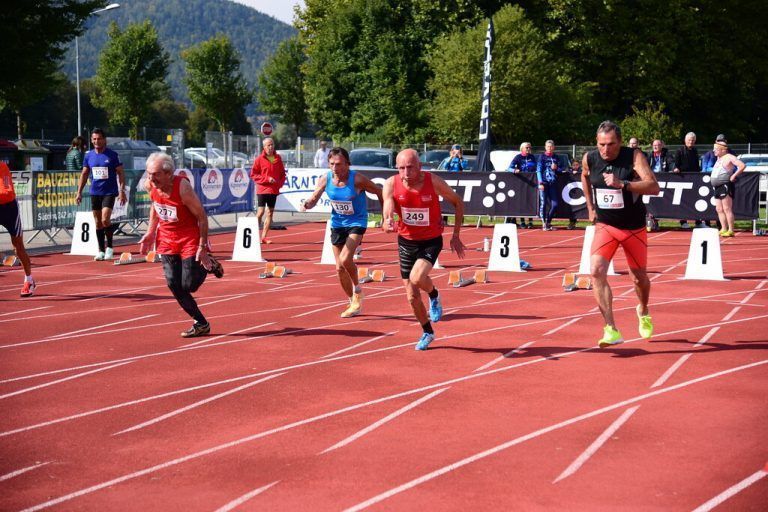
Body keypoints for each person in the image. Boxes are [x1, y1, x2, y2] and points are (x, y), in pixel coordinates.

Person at [581, 121, 660, 348]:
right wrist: (590, 206)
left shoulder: (633, 157)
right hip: (606, 226)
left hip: (633, 228)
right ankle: (611, 329)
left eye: (611, 144)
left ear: (620, 142)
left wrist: (623, 184)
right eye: (601, 144)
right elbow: (585, 176)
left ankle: (643, 309)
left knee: (638, 278)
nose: (606, 149)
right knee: (595, 271)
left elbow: (653, 187)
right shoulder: (590, 158)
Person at [383, 149, 466, 351]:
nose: (406, 173)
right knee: (411, 297)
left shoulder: (433, 182)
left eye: (410, 167)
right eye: (401, 168)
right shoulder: (391, 183)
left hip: (430, 240)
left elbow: (457, 202)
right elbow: (388, 205)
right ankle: (427, 331)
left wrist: (455, 235)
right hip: (406, 242)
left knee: (417, 277)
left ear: (419, 166)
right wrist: (387, 220)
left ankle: (434, 295)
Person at [139, 152, 223, 338]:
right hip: (167, 239)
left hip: (188, 238)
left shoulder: (183, 188)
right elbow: (155, 205)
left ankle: (209, 263)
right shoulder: (149, 185)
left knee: (189, 285)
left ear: (169, 174)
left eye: (156, 174)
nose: (151, 178)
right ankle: (201, 323)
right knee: (173, 284)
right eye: (148, 173)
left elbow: (201, 216)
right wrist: (151, 232)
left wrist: (202, 247)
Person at [301, 147, 383, 317]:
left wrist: (385, 215)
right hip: (337, 223)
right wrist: (308, 204)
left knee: (346, 258)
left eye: (338, 164)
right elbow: (315, 197)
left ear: (347, 164)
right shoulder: (326, 179)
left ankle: (358, 289)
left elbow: (379, 191)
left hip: (356, 222)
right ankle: (352, 301)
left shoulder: (358, 179)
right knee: (339, 268)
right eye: (331, 164)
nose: (335, 168)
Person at [75, 128, 127, 261]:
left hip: (109, 192)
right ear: (92, 140)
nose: (96, 141)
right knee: (98, 222)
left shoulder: (112, 155)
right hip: (95, 192)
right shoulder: (88, 156)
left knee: (105, 219)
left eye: (99, 139)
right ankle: (101, 250)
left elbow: (120, 173)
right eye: (94, 139)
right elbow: (84, 174)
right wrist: (79, 192)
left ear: (104, 140)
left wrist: (121, 191)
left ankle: (109, 247)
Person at [0, 161, 36, 297]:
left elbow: (7, 192)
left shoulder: (2, 167)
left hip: (9, 210)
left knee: (18, 247)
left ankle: (29, 279)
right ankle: (4, 258)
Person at [250, 137, 286, 244]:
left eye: (272, 145)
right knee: (260, 212)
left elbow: (282, 174)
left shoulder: (278, 158)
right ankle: (254, 235)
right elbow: (253, 174)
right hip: (262, 189)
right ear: (264, 147)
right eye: (268, 145)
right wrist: (267, 179)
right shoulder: (259, 159)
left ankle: (264, 237)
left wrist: (279, 184)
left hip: (273, 190)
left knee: (270, 213)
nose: (271, 147)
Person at [709, 140, 746, 237]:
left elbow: (742, 166)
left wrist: (734, 176)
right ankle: (723, 228)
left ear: (722, 150)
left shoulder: (729, 157)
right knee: (719, 209)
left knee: (726, 208)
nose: (714, 151)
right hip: (717, 186)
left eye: (716, 149)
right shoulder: (718, 158)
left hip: (725, 184)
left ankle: (730, 229)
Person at [673, 132, 700, 229]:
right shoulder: (679, 151)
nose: (691, 142)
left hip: (694, 179)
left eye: (693, 140)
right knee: (684, 201)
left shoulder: (695, 151)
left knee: (695, 200)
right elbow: (675, 165)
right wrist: (676, 169)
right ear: (685, 140)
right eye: (689, 140)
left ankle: (698, 222)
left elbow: (697, 165)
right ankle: (683, 222)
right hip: (683, 179)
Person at [644, 139, 673, 231]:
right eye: (654, 145)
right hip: (651, 180)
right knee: (650, 201)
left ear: (661, 146)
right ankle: (651, 221)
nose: (655, 147)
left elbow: (671, 163)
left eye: (657, 145)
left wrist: (674, 168)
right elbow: (644, 166)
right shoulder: (650, 155)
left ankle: (655, 220)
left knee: (661, 201)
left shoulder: (667, 154)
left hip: (663, 180)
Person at [506, 142, 536, 228]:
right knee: (522, 201)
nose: (528, 149)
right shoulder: (518, 157)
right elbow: (509, 168)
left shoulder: (532, 157)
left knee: (530, 201)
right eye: (527, 147)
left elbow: (536, 167)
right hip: (521, 182)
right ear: (522, 148)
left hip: (531, 182)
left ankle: (530, 221)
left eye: (529, 148)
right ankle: (522, 221)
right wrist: (514, 170)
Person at [536, 140, 563, 230]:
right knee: (543, 204)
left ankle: (548, 222)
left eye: (551, 147)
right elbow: (538, 170)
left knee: (555, 204)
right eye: (548, 146)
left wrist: (556, 168)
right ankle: (544, 223)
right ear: (545, 147)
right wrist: (540, 183)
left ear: (554, 147)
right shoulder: (541, 157)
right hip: (544, 183)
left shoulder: (556, 157)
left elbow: (561, 170)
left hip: (553, 183)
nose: (549, 148)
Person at [567, 159, 581, 229]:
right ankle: (572, 222)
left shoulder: (581, 170)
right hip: (572, 192)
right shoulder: (569, 170)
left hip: (581, 192)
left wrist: (578, 172)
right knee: (572, 207)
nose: (575, 166)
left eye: (577, 165)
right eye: (574, 165)